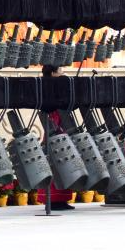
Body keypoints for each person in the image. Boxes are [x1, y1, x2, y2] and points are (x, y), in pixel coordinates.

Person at [39, 64, 74, 210]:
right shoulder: (50, 86)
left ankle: (61, 199)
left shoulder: (50, 85)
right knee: (56, 162)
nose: (62, 73)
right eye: (60, 71)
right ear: (53, 73)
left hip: (58, 121)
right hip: (55, 124)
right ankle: (54, 200)